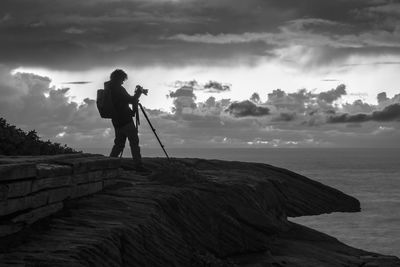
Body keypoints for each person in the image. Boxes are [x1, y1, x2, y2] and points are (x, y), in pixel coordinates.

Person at [106, 69, 147, 171]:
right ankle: (139, 166)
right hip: (125, 120)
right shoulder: (118, 89)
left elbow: (125, 100)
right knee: (134, 142)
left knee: (118, 144)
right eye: (122, 79)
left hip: (116, 120)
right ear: (118, 78)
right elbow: (131, 100)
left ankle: (109, 165)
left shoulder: (108, 88)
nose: (123, 82)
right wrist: (139, 93)